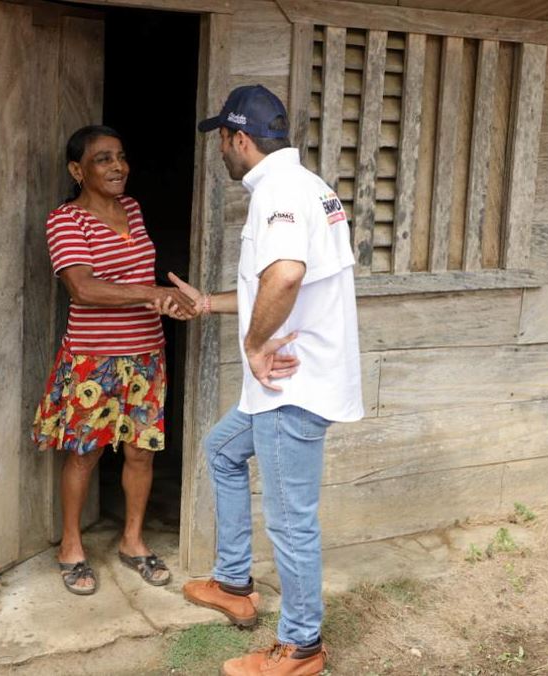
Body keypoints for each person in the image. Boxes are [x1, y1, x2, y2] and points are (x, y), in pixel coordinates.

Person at [175, 85, 364, 675]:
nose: (221, 155)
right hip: (283, 386)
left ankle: (301, 645)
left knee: (290, 517)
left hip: (293, 388)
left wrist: (255, 346)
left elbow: (285, 275)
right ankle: (234, 583)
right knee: (222, 451)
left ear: (238, 139)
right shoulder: (308, 187)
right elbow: (272, 286)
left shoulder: (279, 193)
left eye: (222, 143)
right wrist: (207, 303)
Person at [31, 125, 197, 596]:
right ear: (77, 170)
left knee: (140, 452)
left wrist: (167, 302)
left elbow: (141, 278)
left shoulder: (133, 209)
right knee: (85, 453)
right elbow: (82, 287)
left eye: (120, 156)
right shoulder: (66, 220)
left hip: (145, 352)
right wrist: (152, 292)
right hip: (93, 358)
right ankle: (70, 547)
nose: (117, 166)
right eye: (103, 159)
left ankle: (132, 541)